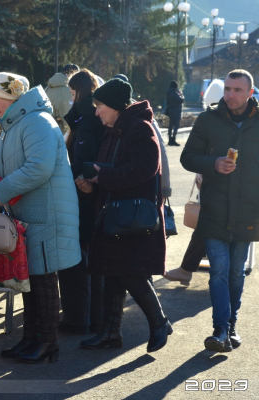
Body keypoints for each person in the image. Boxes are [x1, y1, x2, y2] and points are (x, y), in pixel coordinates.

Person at [0, 72, 81, 363]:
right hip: (35, 214)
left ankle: (47, 342)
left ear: (10, 97)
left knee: (42, 280)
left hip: (47, 215)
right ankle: (31, 339)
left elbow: (38, 169)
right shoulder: (21, 121)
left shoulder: (36, 122)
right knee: (29, 280)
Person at [76, 78, 172, 353]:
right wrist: (93, 181)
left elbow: (142, 170)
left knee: (131, 274)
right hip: (114, 215)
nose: (96, 112)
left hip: (130, 218)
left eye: (100, 106)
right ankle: (110, 333)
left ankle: (159, 323)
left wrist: (100, 176)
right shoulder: (116, 127)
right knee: (113, 273)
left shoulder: (140, 128)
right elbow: (112, 170)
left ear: (116, 106)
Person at [180, 69, 259, 352]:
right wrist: (213, 163)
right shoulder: (208, 119)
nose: (230, 95)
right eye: (227, 89)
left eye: (237, 90)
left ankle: (232, 324)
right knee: (219, 272)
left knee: (237, 273)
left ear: (250, 92)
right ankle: (220, 329)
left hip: (249, 212)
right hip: (214, 209)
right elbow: (187, 157)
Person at [57, 69, 104, 335]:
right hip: (93, 197)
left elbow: (82, 161)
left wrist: (80, 179)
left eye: (73, 94)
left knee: (77, 261)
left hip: (81, 197)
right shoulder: (94, 118)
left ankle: (78, 319)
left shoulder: (85, 121)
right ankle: (95, 317)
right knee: (92, 260)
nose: (70, 99)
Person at [45, 64, 79, 133]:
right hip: (60, 134)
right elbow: (67, 119)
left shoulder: (47, 88)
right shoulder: (69, 91)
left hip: (46, 132)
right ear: (73, 74)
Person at [166, 80, 185, 146]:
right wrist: (181, 95)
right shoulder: (174, 93)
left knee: (170, 126)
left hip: (171, 111)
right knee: (176, 126)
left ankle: (170, 140)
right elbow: (181, 100)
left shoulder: (169, 92)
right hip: (176, 112)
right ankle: (173, 140)